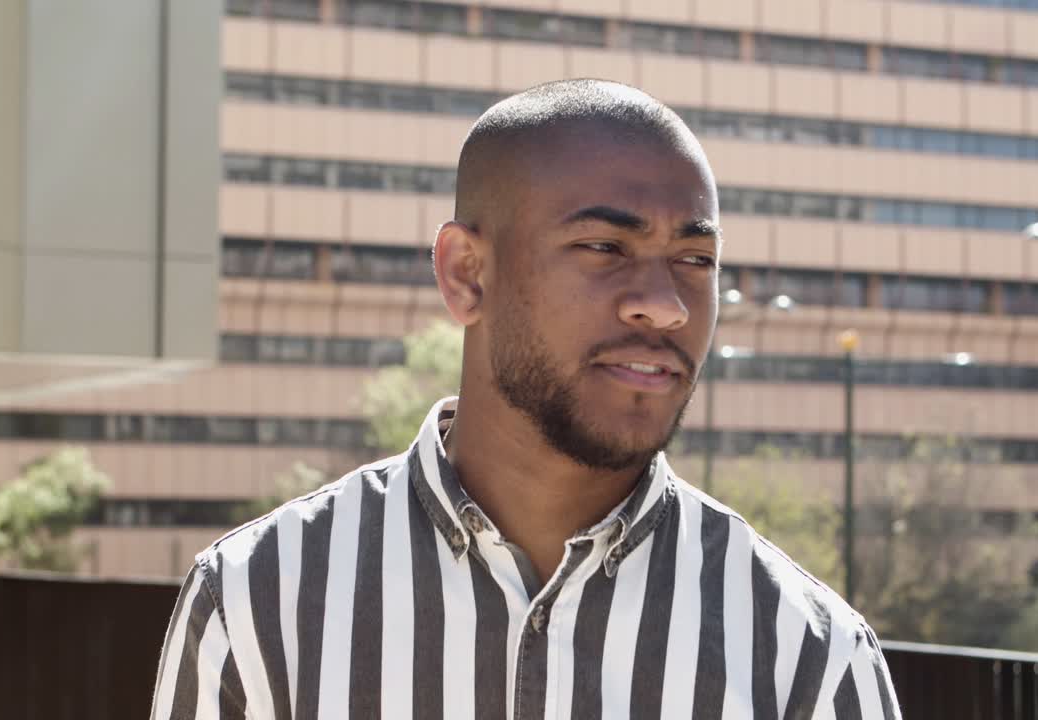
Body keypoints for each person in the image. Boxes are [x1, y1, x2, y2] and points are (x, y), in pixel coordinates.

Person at [150, 79, 901, 720]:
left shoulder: (809, 657)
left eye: (695, 259)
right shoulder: (258, 601)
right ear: (467, 274)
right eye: (606, 248)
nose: (665, 305)